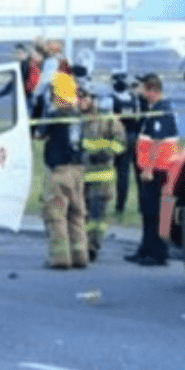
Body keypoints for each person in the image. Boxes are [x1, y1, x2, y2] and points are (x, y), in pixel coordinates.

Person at [36, 72, 89, 270]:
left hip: (58, 172)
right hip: (77, 171)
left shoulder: (54, 115)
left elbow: (39, 134)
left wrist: (42, 108)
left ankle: (60, 258)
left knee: (56, 216)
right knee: (76, 215)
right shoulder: (78, 116)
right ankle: (80, 255)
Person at [126, 74, 178, 266]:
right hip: (151, 169)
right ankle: (145, 248)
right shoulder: (153, 109)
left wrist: (148, 168)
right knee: (147, 211)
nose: (139, 91)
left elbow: (156, 141)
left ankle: (157, 253)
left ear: (151, 90)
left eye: (142, 88)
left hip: (157, 170)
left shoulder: (161, 111)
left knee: (155, 212)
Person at [79, 90, 125, 262]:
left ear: (92, 99)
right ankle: (81, 245)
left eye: (84, 97)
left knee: (97, 215)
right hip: (78, 175)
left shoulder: (107, 119)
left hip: (100, 175)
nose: (80, 101)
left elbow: (120, 143)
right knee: (79, 214)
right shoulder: (73, 119)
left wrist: (104, 152)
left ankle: (93, 246)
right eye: (77, 97)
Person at [110, 71, 142, 216]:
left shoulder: (112, 99)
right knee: (137, 173)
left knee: (122, 174)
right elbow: (137, 118)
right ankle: (142, 205)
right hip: (134, 137)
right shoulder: (133, 99)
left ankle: (120, 207)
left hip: (120, 138)